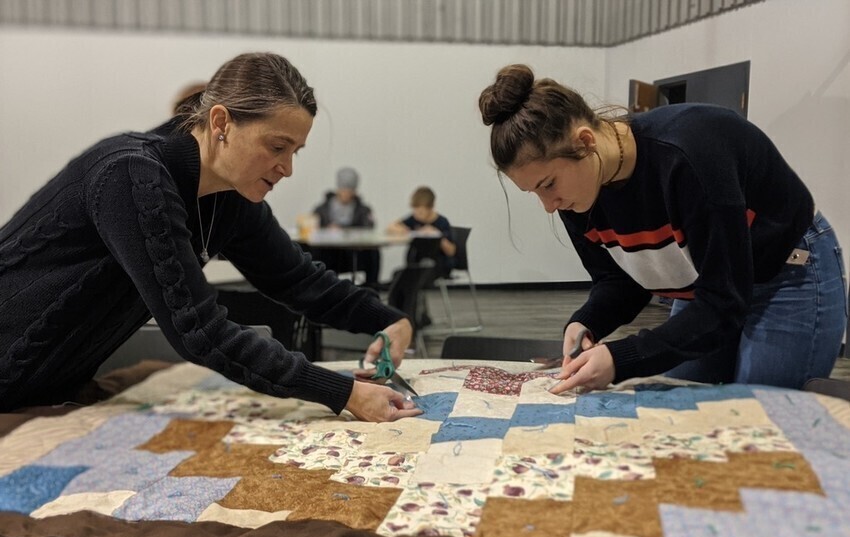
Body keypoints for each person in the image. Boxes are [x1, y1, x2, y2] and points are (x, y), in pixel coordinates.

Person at [0, 52, 420, 423]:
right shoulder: (130, 176)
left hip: (51, 394)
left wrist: (388, 319)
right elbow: (199, 330)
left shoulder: (229, 200)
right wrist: (343, 392)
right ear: (221, 122)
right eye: (277, 147)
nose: (287, 168)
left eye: (296, 151)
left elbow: (298, 280)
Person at [478, 63, 846, 393]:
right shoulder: (576, 193)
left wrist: (621, 359)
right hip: (709, 288)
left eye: (547, 185)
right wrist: (587, 322)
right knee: (680, 404)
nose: (548, 206)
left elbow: (723, 304)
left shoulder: (688, 157)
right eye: (533, 193)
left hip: (785, 269)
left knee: (763, 416)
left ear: (585, 142)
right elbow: (621, 281)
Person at [311, 167, 381, 287]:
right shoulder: (322, 209)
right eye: (343, 189)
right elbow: (313, 224)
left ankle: (372, 288)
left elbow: (369, 227)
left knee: (373, 252)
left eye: (350, 190)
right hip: (328, 251)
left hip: (352, 253)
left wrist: (343, 229)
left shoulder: (363, 210)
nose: (346, 193)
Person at [387, 186, 456, 279]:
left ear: (431, 208)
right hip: (416, 263)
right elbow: (391, 227)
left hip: (437, 265)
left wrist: (437, 236)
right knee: (397, 276)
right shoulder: (414, 219)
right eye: (416, 211)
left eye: (421, 212)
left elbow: (451, 251)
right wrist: (405, 230)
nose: (418, 215)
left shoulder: (442, 222)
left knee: (415, 278)